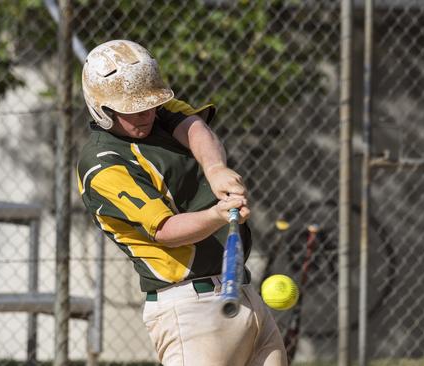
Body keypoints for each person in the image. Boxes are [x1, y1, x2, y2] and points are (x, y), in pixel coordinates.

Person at [76, 39, 287, 366]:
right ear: (102, 110)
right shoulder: (103, 164)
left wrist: (216, 170)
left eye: (149, 105)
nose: (146, 115)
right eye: (133, 110)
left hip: (242, 293)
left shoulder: (158, 115)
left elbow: (195, 127)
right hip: (191, 310)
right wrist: (218, 214)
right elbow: (164, 230)